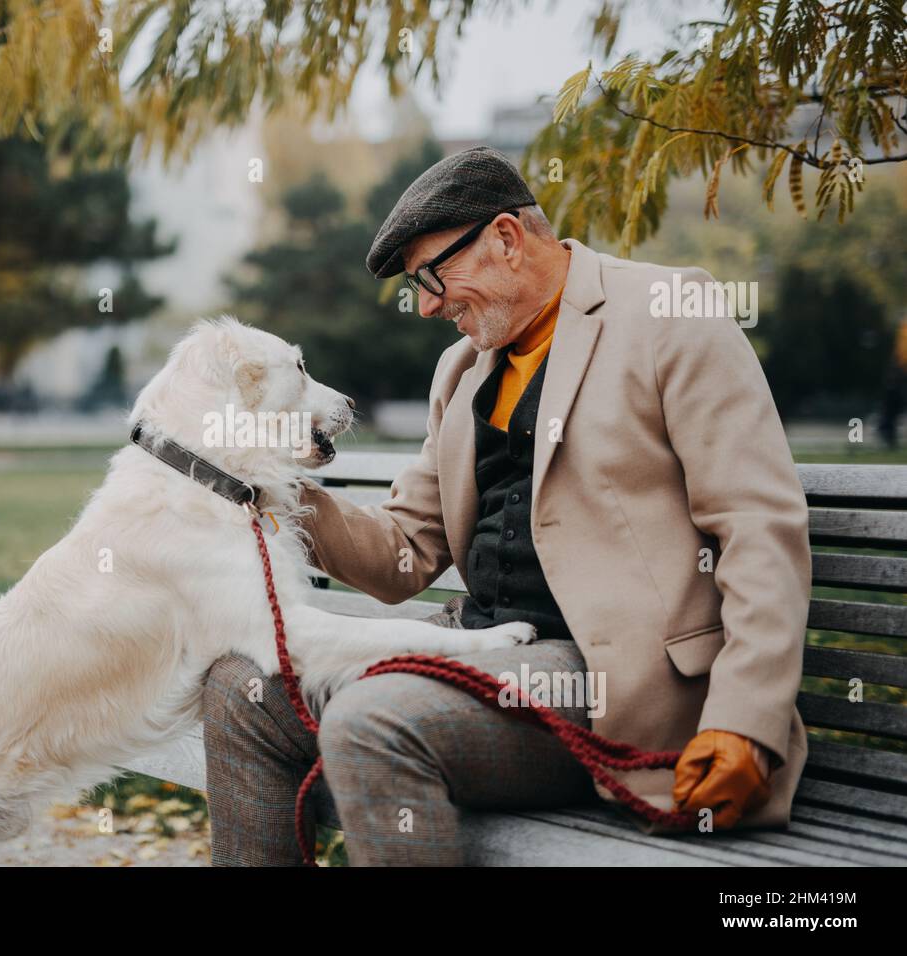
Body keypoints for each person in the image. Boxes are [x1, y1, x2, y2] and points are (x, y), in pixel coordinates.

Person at [202, 146, 811, 866]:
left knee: (374, 720)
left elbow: (758, 528)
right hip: (485, 655)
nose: (426, 304)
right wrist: (266, 476)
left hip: (617, 681)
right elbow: (403, 553)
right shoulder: (462, 370)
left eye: (432, 275)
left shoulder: (670, 312)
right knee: (240, 690)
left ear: (506, 238)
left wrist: (746, 721)